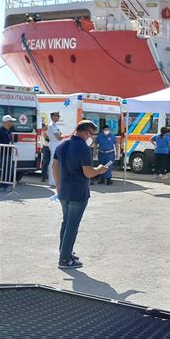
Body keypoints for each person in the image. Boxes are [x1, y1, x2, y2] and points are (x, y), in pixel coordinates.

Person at [52, 120, 108, 269]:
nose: (92, 138)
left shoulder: (63, 143)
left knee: (66, 222)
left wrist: (58, 184)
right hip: (78, 191)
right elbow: (88, 172)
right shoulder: (83, 147)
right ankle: (65, 259)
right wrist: (99, 170)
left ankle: (65, 252)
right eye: (92, 135)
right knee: (72, 225)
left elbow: (54, 165)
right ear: (85, 133)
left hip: (63, 190)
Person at [0, 114, 16, 192]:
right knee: (6, 169)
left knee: (9, 169)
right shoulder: (0, 131)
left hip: (8, 153)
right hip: (3, 153)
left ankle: (5, 185)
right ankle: (3, 186)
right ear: (7, 122)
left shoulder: (9, 131)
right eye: (11, 121)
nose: (13, 123)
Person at [47, 111, 63, 188]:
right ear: (53, 116)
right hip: (54, 144)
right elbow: (59, 137)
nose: (58, 117)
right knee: (53, 163)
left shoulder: (54, 125)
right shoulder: (52, 125)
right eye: (57, 116)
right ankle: (52, 181)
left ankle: (54, 180)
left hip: (56, 144)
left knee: (56, 163)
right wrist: (65, 136)